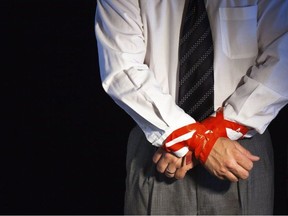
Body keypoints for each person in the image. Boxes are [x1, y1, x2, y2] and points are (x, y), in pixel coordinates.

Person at [95, 0, 288, 215]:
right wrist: (202, 142)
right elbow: (122, 69)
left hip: (240, 151)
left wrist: (207, 139)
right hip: (159, 150)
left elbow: (282, 59)